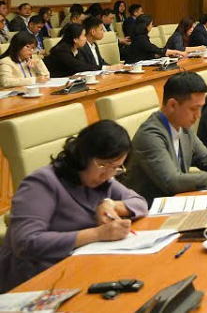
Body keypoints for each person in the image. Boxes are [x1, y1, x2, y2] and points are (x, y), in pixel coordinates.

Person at [0, 120, 147, 291]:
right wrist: (97, 234)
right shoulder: (42, 183)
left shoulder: (103, 180)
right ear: (83, 155)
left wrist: (111, 204)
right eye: (103, 165)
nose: (107, 174)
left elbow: (140, 203)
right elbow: (26, 242)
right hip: (34, 278)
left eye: (116, 168)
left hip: (82, 266)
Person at [123, 72, 207, 202]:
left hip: (177, 201)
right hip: (148, 209)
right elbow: (172, 182)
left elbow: (206, 158)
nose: (198, 115)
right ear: (172, 105)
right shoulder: (150, 135)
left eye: (200, 108)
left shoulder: (183, 126)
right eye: (194, 109)